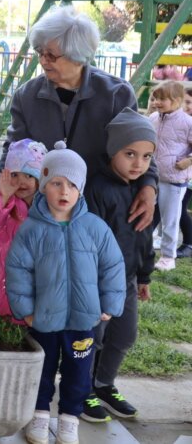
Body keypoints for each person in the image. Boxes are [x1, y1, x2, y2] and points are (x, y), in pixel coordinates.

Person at [0, 6, 157, 236]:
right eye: (40, 51)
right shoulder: (27, 96)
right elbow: (13, 149)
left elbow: (140, 144)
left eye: (51, 54)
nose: (43, 60)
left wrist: (148, 186)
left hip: (99, 210)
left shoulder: (116, 94)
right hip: (43, 211)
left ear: (78, 54)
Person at [6, 142, 126, 444]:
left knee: (78, 372)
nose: (64, 191)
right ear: (43, 185)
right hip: (43, 318)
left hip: (83, 320)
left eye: (72, 185)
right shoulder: (31, 230)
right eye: (56, 183)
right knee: (42, 370)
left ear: (81, 190)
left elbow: (113, 265)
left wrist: (109, 303)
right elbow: (18, 270)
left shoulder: (95, 228)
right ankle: (39, 414)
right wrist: (25, 309)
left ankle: (70, 418)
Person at [83, 109, 157, 422]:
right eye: (130, 154)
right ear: (113, 150)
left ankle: (104, 384)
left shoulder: (145, 192)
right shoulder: (96, 188)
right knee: (92, 338)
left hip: (127, 281)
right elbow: (87, 241)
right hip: (98, 283)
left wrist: (144, 276)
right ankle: (80, 388)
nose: (138, 164)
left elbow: (145, 238)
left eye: (146, 156)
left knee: (125, 336)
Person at [0, 139, 46, 321]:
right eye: (14, 175)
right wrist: (4, 197)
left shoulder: (46, 209)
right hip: (4, 277)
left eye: (29, 176)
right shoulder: (4, 201)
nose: (21, 182)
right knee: (7, 325)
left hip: (32, 280)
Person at [148, 81, 192, 272]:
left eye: (162, 99)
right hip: (151, 176)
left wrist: (188, 160)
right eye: (155, 98)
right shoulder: (153, 118)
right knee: (147, 214)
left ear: (177, 100)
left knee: (171, 219)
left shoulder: (187, 122)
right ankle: (143, 247)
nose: (157, 102)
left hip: (174, 179)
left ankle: (168, 257)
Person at [180, 87, 192, 259]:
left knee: (181, 207)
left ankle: (189, 243)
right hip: (182, 175)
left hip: (187, 175)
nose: (185, 106)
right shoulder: (183, 121)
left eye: (188, 102)